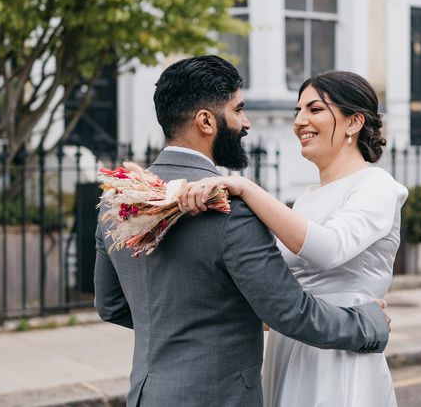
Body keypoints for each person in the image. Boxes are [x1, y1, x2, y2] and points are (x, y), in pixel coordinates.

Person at [94, 56, 391, 407]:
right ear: (206, 121)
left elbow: (110, 305)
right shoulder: (229, 210)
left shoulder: (120, 202)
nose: (246, 123)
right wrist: (369, 323)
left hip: (147, 396)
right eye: (238, 110)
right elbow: (291, 312)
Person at [180, 70, 408, 407]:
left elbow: (330, 249)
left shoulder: (377, 186)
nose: (300, 121)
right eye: (297, 112)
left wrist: (245, 187)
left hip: (339, 355)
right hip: (289, 348)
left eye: (314, 110)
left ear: (354, 122)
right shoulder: (305, 200)